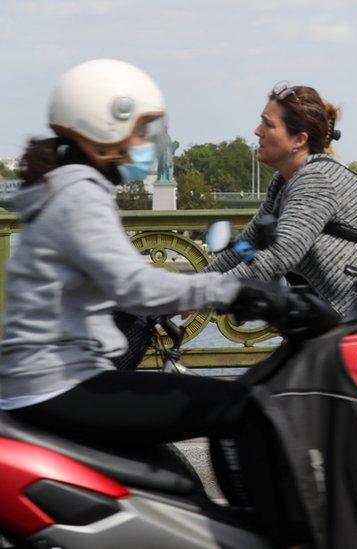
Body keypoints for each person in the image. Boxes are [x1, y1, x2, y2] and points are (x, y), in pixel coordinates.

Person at [0, 59, 303, 544]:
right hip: (60, 383)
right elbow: (136, 287)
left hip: (42, 380)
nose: (144, 146)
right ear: (104, 129)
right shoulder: (80, 195)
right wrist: (232, 290)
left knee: (182, 471)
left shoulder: (61, 187)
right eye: (139, 132)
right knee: (244, 406)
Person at [204, 82, 357, 313]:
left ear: (299, 140)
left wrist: (202, 294)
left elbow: (279, 257)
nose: (257, 131)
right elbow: (250, 241)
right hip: (352, 316)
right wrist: (196, 284)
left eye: (268, 125)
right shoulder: (283, 182)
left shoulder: (317, 179)